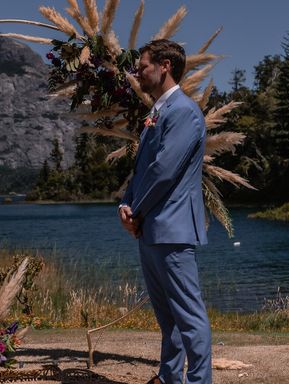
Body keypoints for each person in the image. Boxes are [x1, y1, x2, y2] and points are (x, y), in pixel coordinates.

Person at [119, 39, 212, 384]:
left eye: (142, 66)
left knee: (189, 316)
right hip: (150, 229)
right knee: (168, 318)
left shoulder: (185, 112)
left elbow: (165, 170)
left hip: (172, 228)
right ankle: (169, 376)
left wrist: (136, 210)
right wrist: (126, 207)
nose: (138, 73)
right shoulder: (156, 114)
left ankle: (199, 381)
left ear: (165, 66)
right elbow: (142, 169)